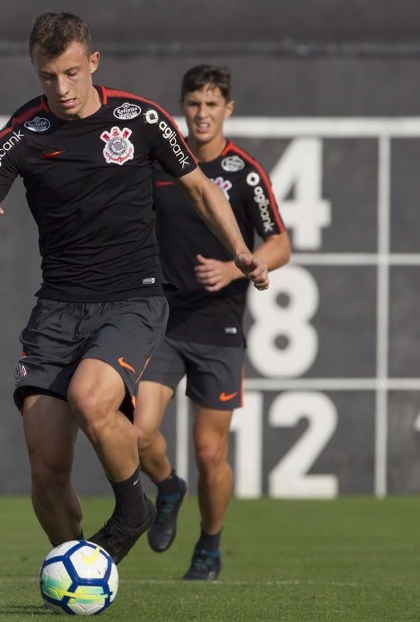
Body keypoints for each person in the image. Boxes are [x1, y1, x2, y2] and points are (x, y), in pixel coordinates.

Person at [0, 12, 270, 566]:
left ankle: (134, 508)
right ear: (36, 72)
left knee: (89, 398)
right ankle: (78, 570)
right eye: (48, 76)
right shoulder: (25, 133)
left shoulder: (140, 119)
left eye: (72, 73)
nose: (62, 88)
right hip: (56, 310)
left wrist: (242, 252)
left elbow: (200, 189)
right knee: (47, 473)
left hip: (132, 299)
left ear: (93, 64)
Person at [135, 64, 291, 581]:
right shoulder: (161, 162)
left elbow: (279, 243)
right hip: (162, 318)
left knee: (209, 451)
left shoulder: (244, 172)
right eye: (194, 103)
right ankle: (168, 487)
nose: (202, 114)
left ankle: (209, 543)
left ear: (228, 109)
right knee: (137, 432)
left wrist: (233, 265)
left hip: (217, 324)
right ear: (184, 106)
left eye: (212, 104)